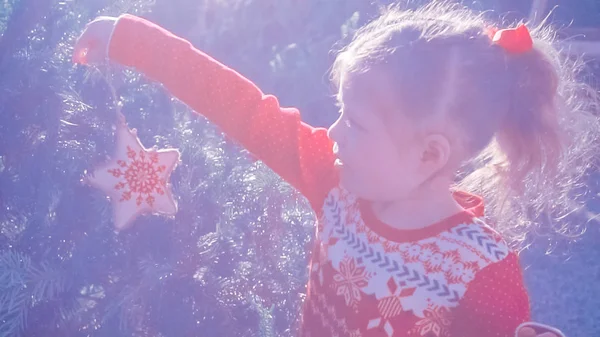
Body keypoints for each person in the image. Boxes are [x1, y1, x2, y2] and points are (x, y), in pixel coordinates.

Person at [74, 2, 598, 336]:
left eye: (358, 123)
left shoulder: (481, 272)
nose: (335, 133)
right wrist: (132, 39)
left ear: (430, 155)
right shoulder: (334, 181)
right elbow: (241, 106)